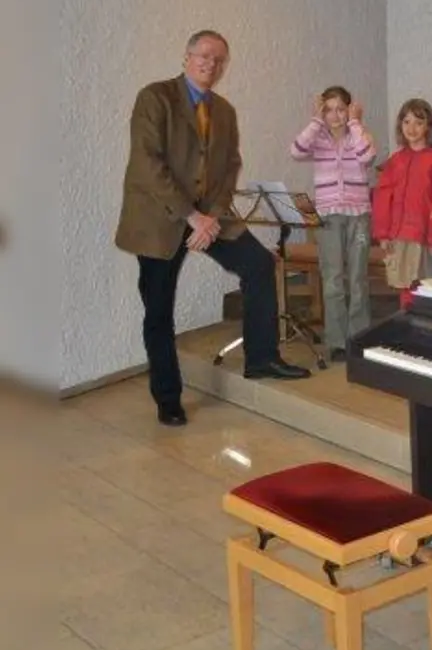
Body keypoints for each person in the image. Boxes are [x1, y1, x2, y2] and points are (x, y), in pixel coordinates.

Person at [115, 30, 309, 426]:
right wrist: (191, 217)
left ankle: (262, 358)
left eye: (219, 59)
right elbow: (148, 164)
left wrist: (213, 217)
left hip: (209, 215)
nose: (211, 64)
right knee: (158, 308)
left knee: (257, 264)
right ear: (186, 57)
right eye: (204, 55)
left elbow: (229, 167)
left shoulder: (224, 110)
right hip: (159, 216)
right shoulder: (155, 97)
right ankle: (167, 397)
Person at [288, 86, 378, 362]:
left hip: (358, 215)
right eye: (329, 110)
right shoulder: (318, 137)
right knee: (333, 279)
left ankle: (359, 337)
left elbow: (367, 156)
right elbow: (296, 150)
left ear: (349, 109)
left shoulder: (359, 133)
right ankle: (337, 341)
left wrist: (355, 122)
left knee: (358, 279)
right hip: (328, 216)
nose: (335, 115)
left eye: (341, 109)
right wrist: (315, 121)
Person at [373, 99, 432, 308]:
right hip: (398, 234)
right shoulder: (396, 160)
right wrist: (383, 233)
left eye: (418, 123)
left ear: (428, 126)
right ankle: (406, 321)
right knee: (403, 282)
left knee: (421, 283)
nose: (411, 128)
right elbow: (383, 198)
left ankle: (421, 323)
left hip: (421, 234)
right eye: (407, 122)